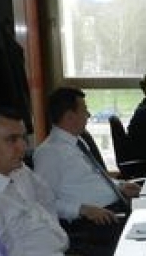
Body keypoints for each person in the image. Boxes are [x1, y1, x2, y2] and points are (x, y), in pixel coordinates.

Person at [0, 108, 104, 256]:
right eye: (11, 140)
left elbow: (47, 200)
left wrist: (53, 235)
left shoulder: (21, 171)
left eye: (23, 138)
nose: (22, 147)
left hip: (64, 251)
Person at [34, 87, 139, 225]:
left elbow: (93, 180)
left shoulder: (78, 142)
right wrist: (82, 210)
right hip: (94, 220)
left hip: (117, 206)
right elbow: (42, 202)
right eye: (84, 111)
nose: (88, 115)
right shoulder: (49, 153)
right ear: (70, 117)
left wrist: (120, 186)